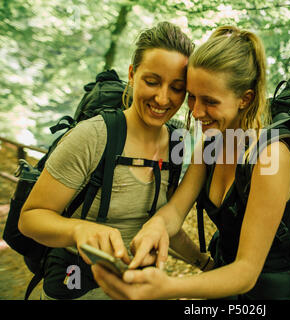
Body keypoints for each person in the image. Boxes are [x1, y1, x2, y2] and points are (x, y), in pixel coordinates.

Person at [92, 25, 290, 300]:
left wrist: (166, 288)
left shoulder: (270, 157)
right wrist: (155, 227)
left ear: (245, 99)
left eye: (210, 101)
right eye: (192, 96)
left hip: (268, 291)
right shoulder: (211, 144)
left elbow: (247, 271)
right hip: (221, 281)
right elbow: (176, 210)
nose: (196, 111)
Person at [18, 22, 212, 300]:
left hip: (141, 285)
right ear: (133, 75)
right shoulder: (93, 136)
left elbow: (164, 221)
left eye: (177, 88)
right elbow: (30, 219)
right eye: (152, 81)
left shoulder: (177, 141)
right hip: (77, 284)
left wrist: (204, 263)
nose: (163, 98)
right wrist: (78, 229)